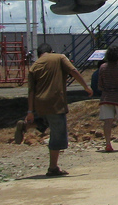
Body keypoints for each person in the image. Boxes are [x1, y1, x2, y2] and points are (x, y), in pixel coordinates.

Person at [24, 43, 93, 177]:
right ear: (51, 51)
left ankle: (28, 125)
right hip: (55, 103)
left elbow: (31, 91)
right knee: (57, 135)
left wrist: (30, 111)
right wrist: (86, 87)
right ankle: (53, 167)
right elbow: (73, 71)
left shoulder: (34, 66)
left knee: (47, 122)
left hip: (40, 103)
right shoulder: (59, 58)